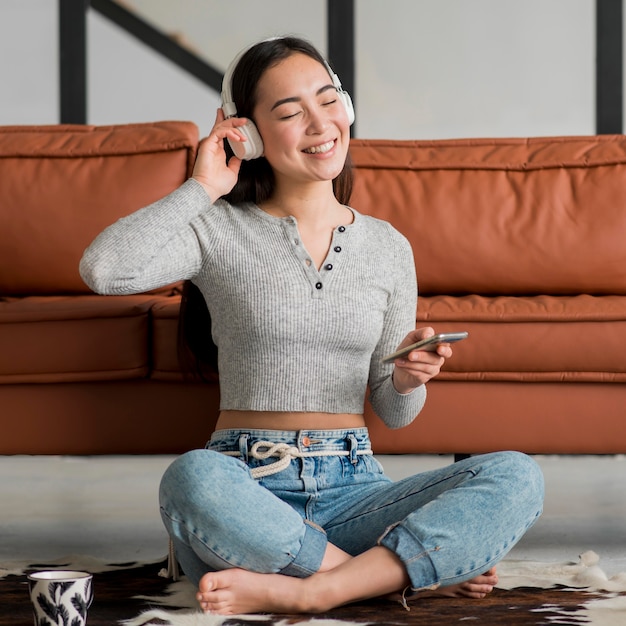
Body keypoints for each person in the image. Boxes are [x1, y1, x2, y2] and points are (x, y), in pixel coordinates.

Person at [79, 36, 544, 616]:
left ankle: (315, 586)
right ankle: (388, 576)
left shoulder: (388, 247)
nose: (321, 125)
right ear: (246, 134)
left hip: (357, 491)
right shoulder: (218, 229)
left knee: (517, 475)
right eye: (291, 113)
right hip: (246, 493)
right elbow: (104, 270)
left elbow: (394, 413)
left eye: (329, 101)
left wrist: (406, 378)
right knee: (190, 479)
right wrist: (205, 186)